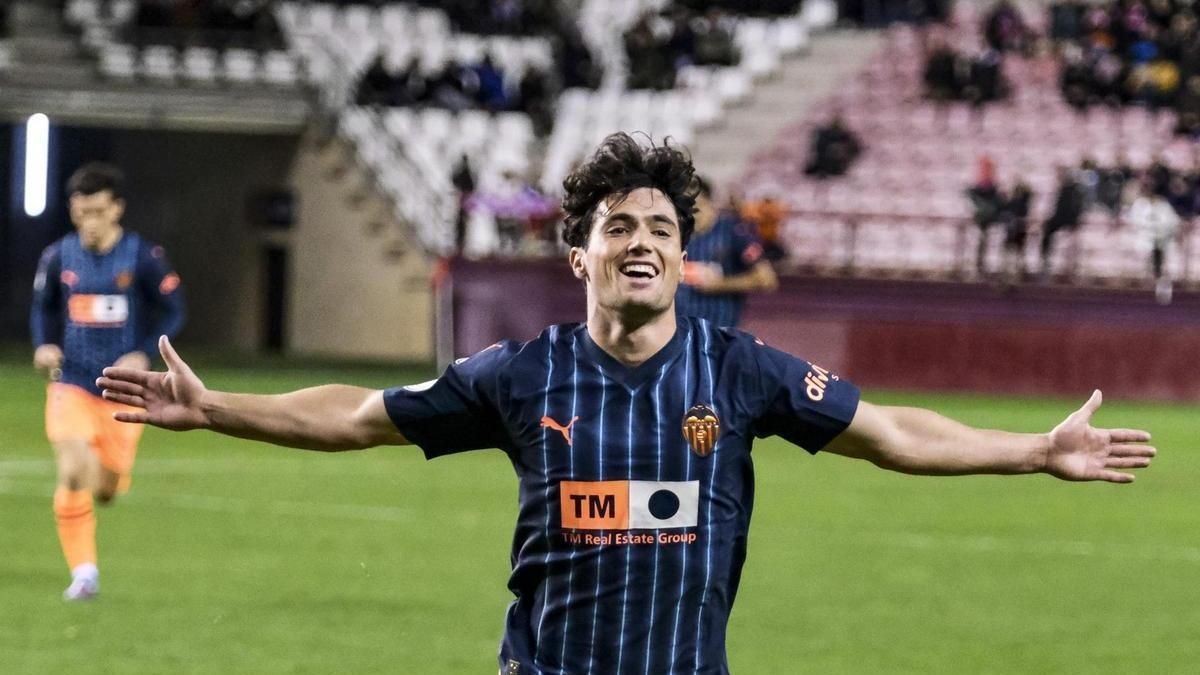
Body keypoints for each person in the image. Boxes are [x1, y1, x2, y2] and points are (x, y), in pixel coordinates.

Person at [98, 134, 1155, 674]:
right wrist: (219, 407)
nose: (640, 241)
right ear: (580, 255)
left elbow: (889, 434)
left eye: (660, 228)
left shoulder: (742, 372)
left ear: (685, 259)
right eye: (618, 226)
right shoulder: (520, 374)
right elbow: (361, 415)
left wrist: (1033, 449)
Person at [32, 162, 186, 601]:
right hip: (72, 382)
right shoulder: (58, 256)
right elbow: (43, 307)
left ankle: (110, 482)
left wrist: (144, 350)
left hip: (122, 388)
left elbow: (173, 310)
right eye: (81, 212)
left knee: (106, 488)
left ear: (117, 208)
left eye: (98, 212)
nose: (90, 222)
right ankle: (84, 574)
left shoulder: (142, 257)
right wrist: (45, 344)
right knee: (73, 470)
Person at [675, 177, 777, 327]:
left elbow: (766, 279)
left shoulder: (734, 232)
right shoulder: (676, 234)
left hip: (719, 330)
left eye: (696, 206)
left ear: (710, 203)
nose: (691, 213)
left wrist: (720, 284)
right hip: (679, 330)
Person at [1125, 178, 1182, 304]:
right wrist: (1149, 229)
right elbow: (1135, 221)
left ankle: (1163, 292)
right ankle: (1142, 292)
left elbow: (1172, 222)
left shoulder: (1164, 205)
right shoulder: (1140, 204)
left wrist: (1162, 232)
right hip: (1146, 239)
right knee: (1145, 265)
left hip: (1163, 240)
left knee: (1163, 267)